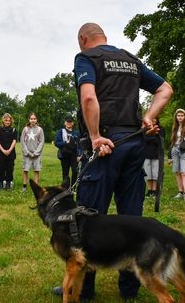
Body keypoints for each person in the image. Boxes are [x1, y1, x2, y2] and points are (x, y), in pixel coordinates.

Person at [54, 22, 172, 301]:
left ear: (83, 39)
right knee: (132, 217)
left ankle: (86, 291)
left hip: (105, 146)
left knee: (87, 219)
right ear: (104, 37)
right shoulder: (131, 60)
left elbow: (88, 96)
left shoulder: (86, 58)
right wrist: (149, 117)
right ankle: (129, 290)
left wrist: (94, 136)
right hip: (133, 145)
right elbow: (165, 89)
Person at [169, 109, 185, 202]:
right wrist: (169, 155)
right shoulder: (175, 126)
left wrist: (184, 146)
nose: (180, 117)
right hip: (175, 150)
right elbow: (172, 141)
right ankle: (180, 192)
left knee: (184, 172)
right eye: (178, 115)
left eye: (182, 115)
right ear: (176, 117)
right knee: (177, 172)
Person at [54, 115, 81, 188]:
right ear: (65, 123)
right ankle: (65, 189)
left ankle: (73, 188)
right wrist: (65, 142)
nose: (69, 123)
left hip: (74, 156)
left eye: (70, 122)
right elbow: (56, 143)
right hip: (64, 156)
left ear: (73, 123)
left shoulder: (77, 133)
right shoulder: (61, 131)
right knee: (65, 174)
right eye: (67, 121)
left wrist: (79, 155)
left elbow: (79, 144)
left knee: (75, 172)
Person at [20, 112, 44, 192]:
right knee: (25, 170)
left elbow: (41, 142)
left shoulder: (40, 130)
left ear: (36, 120)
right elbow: (22, 141)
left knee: (36, 170)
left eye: (34, 119)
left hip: (36, 154)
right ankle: (24, 186)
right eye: (31, 119)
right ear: (29, 120)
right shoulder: (25, 129)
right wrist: (27, 152)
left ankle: (36, 188)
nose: (33, 120)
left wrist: (36, 153)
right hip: (27, 154)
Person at [0, 113, 18, 190]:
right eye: (6, 120)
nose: (7, 122)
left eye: (9, 120)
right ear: (3, 120)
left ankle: (8, 184)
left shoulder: (14, 130)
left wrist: (9, 150)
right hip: (0, 153)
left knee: (10, 169)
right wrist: (3, 150)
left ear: (11, 121)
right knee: (0, 168)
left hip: (11, 154)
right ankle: (0, 183)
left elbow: (14, 141)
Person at [143, 118, 165, 198]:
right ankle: (150, 190)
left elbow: (159, 140)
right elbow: (144, 139)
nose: (153, 120)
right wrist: (153, 137)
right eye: (152, 118)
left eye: (155, 118)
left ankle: (155, 190)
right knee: (148, 173)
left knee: (155, 173)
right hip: (146, 154)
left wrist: (150, 138)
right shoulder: (145, 128)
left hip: (157, 154)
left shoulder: (161, 129)